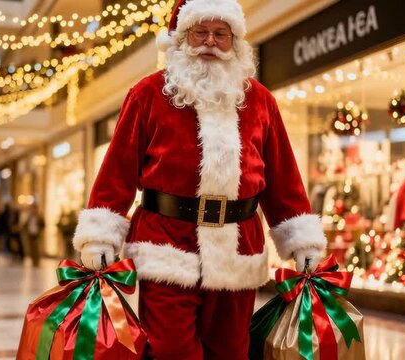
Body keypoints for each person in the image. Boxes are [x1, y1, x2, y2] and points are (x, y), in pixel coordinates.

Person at [72, 0, 327, 358]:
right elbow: (117, 170)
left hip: (237, 249)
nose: (210, 42)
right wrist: (100, 236)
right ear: (180, 38)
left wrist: (302, 242)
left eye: (220, 33)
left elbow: (283, 177)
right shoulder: (147, 94)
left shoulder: (260, 101)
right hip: (166, 245)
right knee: (171, 348)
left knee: (230, 348)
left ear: (235, 40)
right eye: (200, 32)